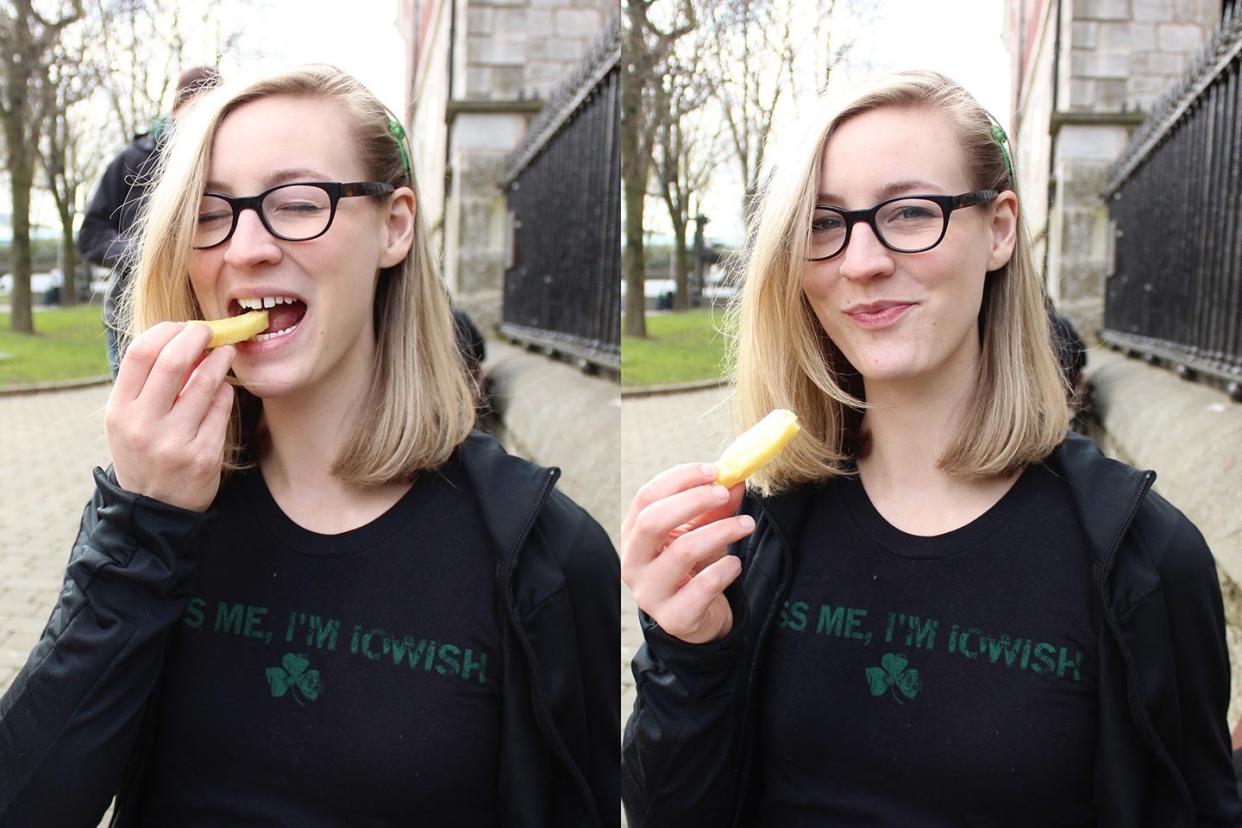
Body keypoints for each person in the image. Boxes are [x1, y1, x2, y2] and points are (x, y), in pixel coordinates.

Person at [1, 65, 618, 827]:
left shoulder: (549, 557)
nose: (246, 248)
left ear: (394, 227)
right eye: (208, 211)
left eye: (298, 204)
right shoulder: (155, 514)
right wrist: (137, 527)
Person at [620, 71, 1241, 827]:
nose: (861, 261)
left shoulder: (1144, 560)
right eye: (822, 224)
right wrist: (686, 653)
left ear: (1000, 228)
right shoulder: (753, 540)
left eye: (910, 212)